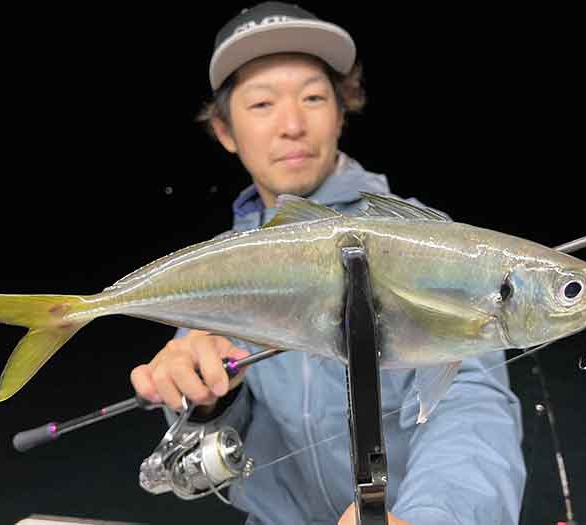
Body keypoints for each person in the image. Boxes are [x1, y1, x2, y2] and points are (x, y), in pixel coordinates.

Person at [130, 3, 527, 524]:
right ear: (225, 131)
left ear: (342, 111)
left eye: (314, 97)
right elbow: (202, 463)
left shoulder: (429, 240)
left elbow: (470, 403)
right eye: (262, 103)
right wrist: (208, 403)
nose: (292, 125)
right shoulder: (216, 268)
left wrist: (434, 516)